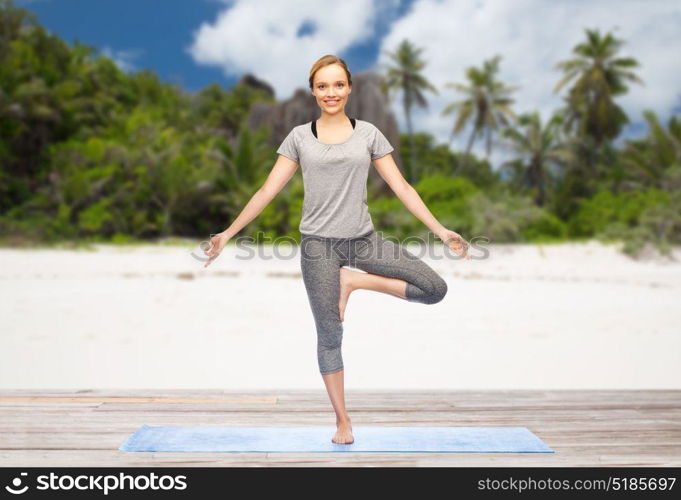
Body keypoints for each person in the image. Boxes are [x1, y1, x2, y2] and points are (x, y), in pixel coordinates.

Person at [203, 55, 471, 445]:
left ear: (349, 88)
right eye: (323, 86)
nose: (331, 93)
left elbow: (403, 188)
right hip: (318, 247)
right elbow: (266, 191)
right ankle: (343, 421)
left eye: (338, 85)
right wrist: (227, 234)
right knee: (330, 334)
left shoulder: (369, 134)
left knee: (434, 289)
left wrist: (441, 230)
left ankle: (355, 282)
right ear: (314, 91)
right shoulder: (298, 137)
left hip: (363, 240)